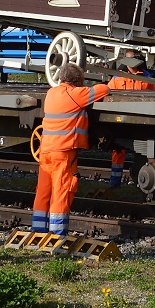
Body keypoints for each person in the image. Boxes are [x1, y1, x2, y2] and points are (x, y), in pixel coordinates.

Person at [34, 63, 111, 235]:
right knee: (62, 190)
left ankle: (38, 231)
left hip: (46, 150)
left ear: (61, 78)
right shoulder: (76, 94)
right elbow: (103, 90)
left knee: (44, 190)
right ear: (78, 81)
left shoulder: (51, 93)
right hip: (63, 152)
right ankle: (57, 234)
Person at [107, 52, 153, 188]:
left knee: (141, 151)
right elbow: (108, 92)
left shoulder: (147, 77)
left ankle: (140, 180)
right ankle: (115, 182)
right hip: (122, 120)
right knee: (118, 151)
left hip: (140, 120)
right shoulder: (117, 78)